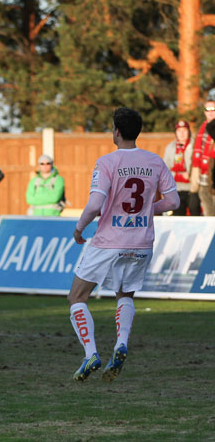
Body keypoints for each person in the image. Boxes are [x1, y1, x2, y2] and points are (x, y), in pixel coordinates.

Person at [69, 108, 179, 382]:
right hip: (141, 242)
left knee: (77, 297)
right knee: (125, 295)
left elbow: (95, 204)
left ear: (116, 131)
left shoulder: (107, 161)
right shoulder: (154, 161)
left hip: (108, 240)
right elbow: (174, 202)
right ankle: (121, 344)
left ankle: (91, 353)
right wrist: (146, 211)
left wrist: (80, 228)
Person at [163, 120, 195, 216]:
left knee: (195, 213)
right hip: (176, 188)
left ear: (188, 131)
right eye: (179, 131)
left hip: (192, 188)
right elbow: (165, 167)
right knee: (177, 215)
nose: (182, 133)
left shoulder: (195, 146)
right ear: (176, 133)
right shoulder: (170, 147)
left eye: (184, 130)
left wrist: (190, 174)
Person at [191, 99, 215, 215]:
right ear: (204, 112)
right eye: (208, 109)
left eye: (213, 109)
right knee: (208, 212)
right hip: (202, 176)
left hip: (213, 176)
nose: (210, 112)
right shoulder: (202, 128)